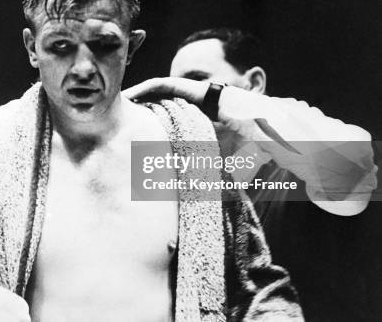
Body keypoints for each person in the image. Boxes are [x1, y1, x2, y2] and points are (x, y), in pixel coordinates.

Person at [0, 0, 303, 321]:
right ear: (32, 48)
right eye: (61, 47)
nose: (83, 68)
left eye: (102, 45)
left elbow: (255, 285)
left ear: (132, 47)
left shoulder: (170, 149)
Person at [122, 27, 378, 320]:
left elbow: (354, 169)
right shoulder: (181, 189)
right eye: (173, 89)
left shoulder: (298, 172)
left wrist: (214, 98)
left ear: (254, 83)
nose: (181, 98)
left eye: (195, 80)